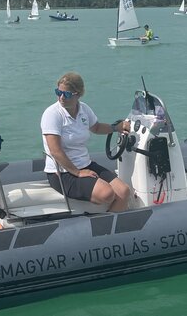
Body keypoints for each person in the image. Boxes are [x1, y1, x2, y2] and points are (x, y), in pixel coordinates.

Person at [41, 72, 132, 212]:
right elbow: (55, 151)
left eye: (66, 94)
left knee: (124, 192)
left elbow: (96, 127)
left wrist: (116, 128)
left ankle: (109, 229)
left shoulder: (83, 109)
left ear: (78, 94)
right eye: (58, 92)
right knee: (107, 193)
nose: (61, 97)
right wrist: (77, 172)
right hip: (62, 172)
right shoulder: (52, 114)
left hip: (85, 164)